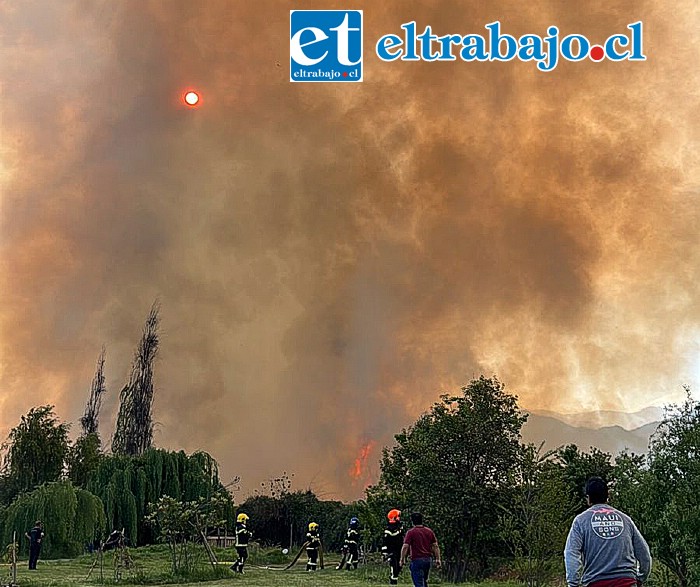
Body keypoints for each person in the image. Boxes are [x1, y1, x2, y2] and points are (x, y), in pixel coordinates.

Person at [564, 477, 652, 587]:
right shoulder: (625, 519)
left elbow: (571, 553)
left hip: (596, 582)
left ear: (588, 498)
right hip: (627, 582)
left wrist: (573, 583)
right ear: (608, 496)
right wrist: (641, 577)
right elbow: (644, 552)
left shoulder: (580, 521)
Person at [400, 512, 441, 587]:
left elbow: (405, 546)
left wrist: (402, 559)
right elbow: (435, 546)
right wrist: (438, 559)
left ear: (412, 521)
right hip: (427, 560)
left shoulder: (411, 532)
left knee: (418, 583)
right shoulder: (429, 531)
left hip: (416, 560)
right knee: (424, 581)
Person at [381, 509, 405, 585]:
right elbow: (384, 542)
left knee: (399, 566)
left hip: (399, 550)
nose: (399, 518)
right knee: (394, 565)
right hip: (391, 551)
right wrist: (385, 553)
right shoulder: (388, 529)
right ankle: (393, 580)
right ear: (394, 517)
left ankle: (394, 578)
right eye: (398, 517)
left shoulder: (399, 527)